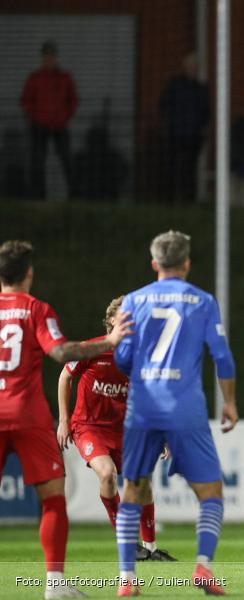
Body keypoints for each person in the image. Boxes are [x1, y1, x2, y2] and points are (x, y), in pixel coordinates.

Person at [0, 239, 133, 599]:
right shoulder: (36, 309)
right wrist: (108, 342)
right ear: (29, 273)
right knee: (53, 500)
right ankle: (55, 586)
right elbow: (61, 354)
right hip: (28, 415)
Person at [112, 231, 237, 596]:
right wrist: (229, 401)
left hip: (143, 407)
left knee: (131, 490)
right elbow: (223, 357)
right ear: (187, 263)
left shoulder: (133, 301)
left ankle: (126, 580)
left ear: (154, 264)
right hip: (185, 407)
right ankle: (203, 567)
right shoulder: (202, 301)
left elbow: (121, 360)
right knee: (211, 490)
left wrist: (123, 348)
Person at [56, 296, 175, 562]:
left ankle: (152, 549)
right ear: (111, 320)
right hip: (89, 426)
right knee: (107, 474)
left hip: (124, 429)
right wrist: (64, 420)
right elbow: (65, 376)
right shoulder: (93, 349)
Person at [20, 41, 78, 200]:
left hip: (60, 125)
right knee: (38, 162)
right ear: (42, 58)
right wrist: (35, 116)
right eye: (46, 56)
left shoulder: (65, 78)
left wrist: (65, 116)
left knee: (67, 159)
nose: (49, 60)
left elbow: (73, 100)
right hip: (39, 126)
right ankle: (39, 196)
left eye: (51, 56)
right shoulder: (35, 78)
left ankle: (74, 194)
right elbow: (25, 100)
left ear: (56, 58)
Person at [159, 52, 210, 203]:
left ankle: (188, 200)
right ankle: (170, 200)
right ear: (184, 67)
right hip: (175, 134)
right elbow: (163, 106)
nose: (192, 69)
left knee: (189, 169)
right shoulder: (174, 85)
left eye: (194, 66)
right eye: (189, 66)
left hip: (193, 136)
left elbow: (206, 113)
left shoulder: (201, 88)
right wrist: (170, 123)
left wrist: (203, 131)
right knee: (172, 167)